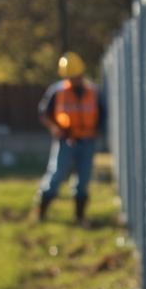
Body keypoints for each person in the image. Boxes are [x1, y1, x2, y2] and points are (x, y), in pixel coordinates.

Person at [35, 52, 105, 223]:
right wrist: (54, 128)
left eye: (76, 76)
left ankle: (79, 216)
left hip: (87, 141)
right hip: (65, 140)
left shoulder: (93, 92)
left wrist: (97, 131)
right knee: (56, 175)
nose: (74, 80)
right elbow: (44, 113)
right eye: (70, 77)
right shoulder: (57, 92)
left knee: (83, 179)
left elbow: (102, 115)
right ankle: (41, 212)